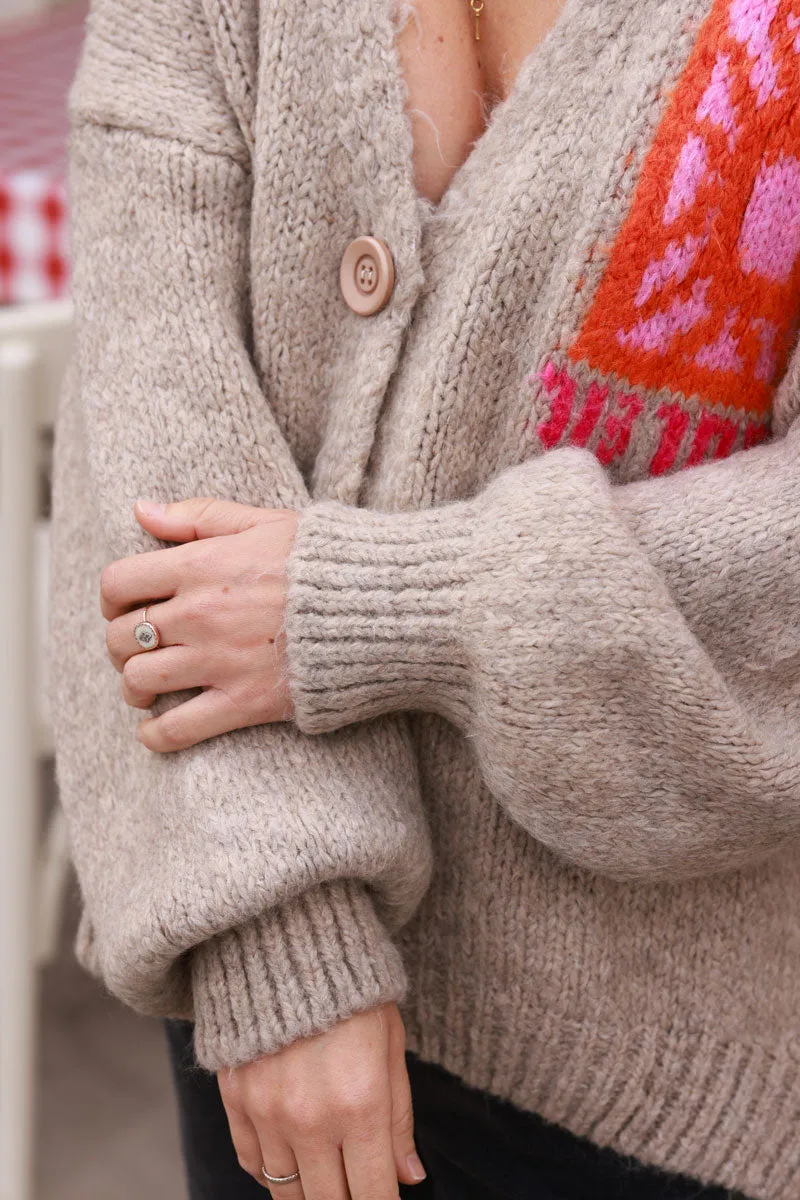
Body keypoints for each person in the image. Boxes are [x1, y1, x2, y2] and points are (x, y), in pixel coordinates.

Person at [49, 0, 800, 1197]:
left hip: (674, 1067)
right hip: (274, 1023)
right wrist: (276, 931)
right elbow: (147, 410)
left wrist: (391, 607)